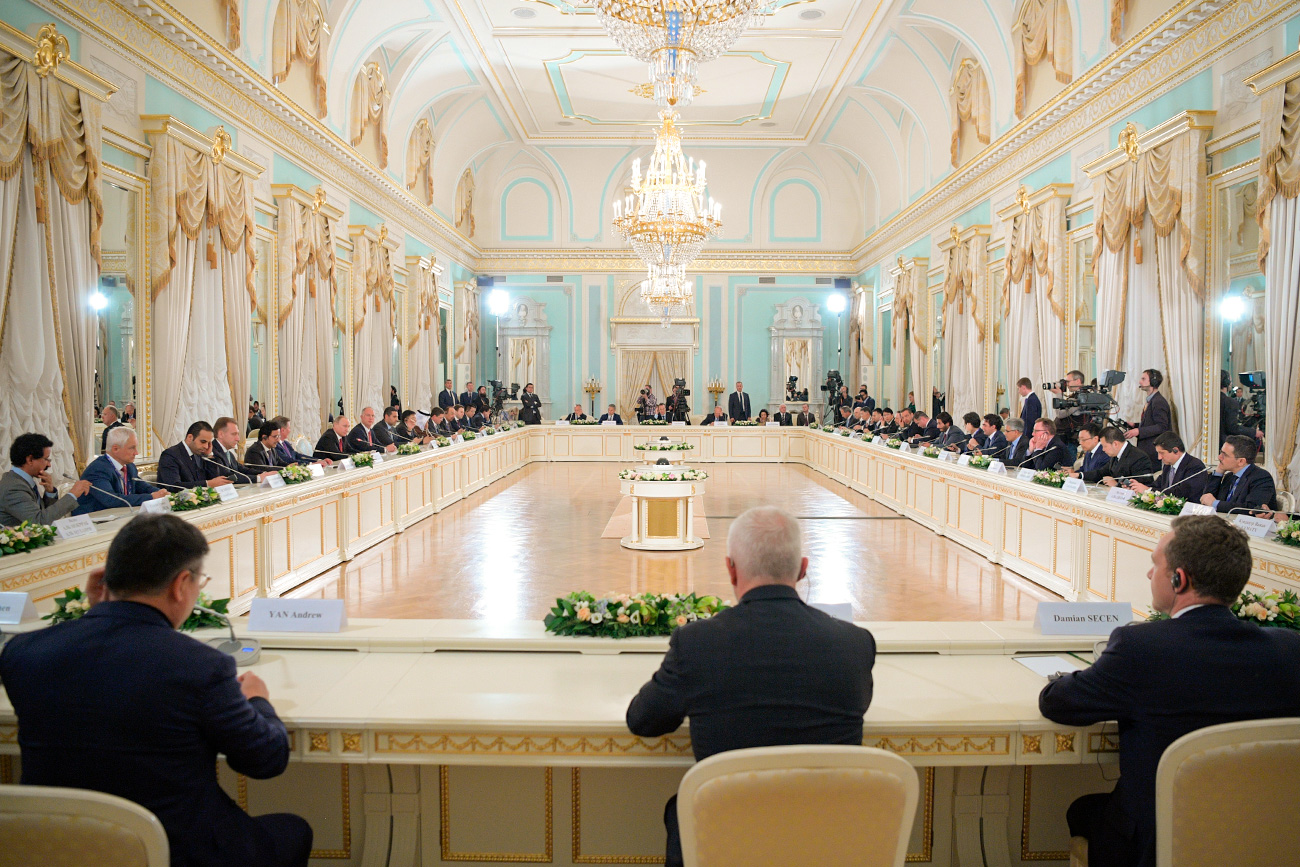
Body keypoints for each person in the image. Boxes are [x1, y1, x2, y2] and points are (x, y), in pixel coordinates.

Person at [0, 514, 313, 866]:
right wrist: (258, 699)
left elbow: (97, 676)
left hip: (55, 847)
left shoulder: (23, 652)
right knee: (293, 830)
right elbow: (265, 760)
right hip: (174, 850)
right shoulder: (200, 666)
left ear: (105, 580)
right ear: (181, 584)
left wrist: (100, 612)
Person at [1039, 515, 1300, 867]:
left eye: (1155, 565)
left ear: (1179, 579)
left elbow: (1058, 704)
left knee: (1083, 809)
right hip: (1271, 837)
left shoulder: (1142, 647)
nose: (1149, 574)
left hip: (1157, 844)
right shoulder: (1290, 649)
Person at [626, 506, 876, 867]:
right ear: (803, 569)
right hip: (826, 840)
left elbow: (643, 721)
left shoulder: (698, 643)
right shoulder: (854, 643)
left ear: (730, 569)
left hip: (725, 839)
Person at [0, 433, 91, 525]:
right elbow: (39, 521)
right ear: (30, 460)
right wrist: (73, 494)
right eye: (46, 459)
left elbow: (46, 516)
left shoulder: (20, 480)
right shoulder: (14, 488)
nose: (49, 465)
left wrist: (50, 492)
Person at [74, 427, 166, 514]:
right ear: (115, 449)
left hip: (120, 515)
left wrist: (162, 493)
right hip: (95, 521)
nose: (136, 453)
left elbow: (142, 486)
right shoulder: (98, 469)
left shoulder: (129, 466)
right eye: (132, 448)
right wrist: (151, 497)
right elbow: (111, 500)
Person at [1199, 434, 1277, 514]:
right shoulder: (1230, 476)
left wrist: (1215, 503)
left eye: (1224, 455)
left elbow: (1251, 509)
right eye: (1220, 452)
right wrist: (1218, 473)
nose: (1219, 457)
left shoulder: (1261, 478)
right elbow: (1206, 499)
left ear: (1241, 461)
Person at [1127, 432, 1208, 501]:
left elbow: (1181, 494)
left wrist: (1148, 490)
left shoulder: (1195, 466)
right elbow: (1157, 485)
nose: (1159, 457)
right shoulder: (1168, 465)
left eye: (1162, 453)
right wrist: (1137, 487)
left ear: (1175, 450)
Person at [157, 422, 233, 490]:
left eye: (208, 443)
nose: (206, 446)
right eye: (203, 442)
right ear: (190, 438)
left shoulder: (198, 453)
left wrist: (209, 455)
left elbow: (212, 479)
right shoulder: (170, 455)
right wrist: (207, 484)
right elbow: (174, 486)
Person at [1072, 426, 1155, 486]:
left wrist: (1116, 485)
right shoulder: (1115, 455)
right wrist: (1079, 475)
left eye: (1105, 446)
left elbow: (1141, 485)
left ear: (1115, 444)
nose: (1103, 449)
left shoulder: (1139, 457)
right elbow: (1101, 472)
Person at [1125, 369, 1172, 462]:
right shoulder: (1151, 400)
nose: (1140, 381)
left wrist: (1138, 431)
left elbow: (1162, 426)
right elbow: (1151, 424)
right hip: (1147, 450)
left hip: (1153, 452)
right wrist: (1135, 425)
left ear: (1153, 382)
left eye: (1143, 379)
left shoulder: (1158, 401)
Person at [211, 417, 272, 484]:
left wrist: (265, 474)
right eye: (234, 434)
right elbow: (227, 476)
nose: (238, 438)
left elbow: (242, 469)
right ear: (221, 434)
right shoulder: (212, 452)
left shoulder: (229, 453)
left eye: (238, 434)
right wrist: (258, 478)